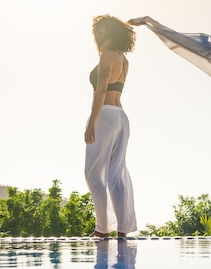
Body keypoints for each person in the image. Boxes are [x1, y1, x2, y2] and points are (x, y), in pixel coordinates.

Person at [85, 15, 137, 238]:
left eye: (102, 31)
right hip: (121, 117)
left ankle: (102, 229)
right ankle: (123, 229)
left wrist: (92, 121)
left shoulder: (107, 56)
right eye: (96, 32)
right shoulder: (124, 60)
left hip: (105, 114)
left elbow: (101, 90)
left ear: (111, 33)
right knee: (116, 174)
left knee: (93, 173)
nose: (98, 35)